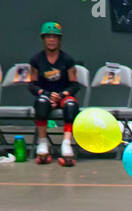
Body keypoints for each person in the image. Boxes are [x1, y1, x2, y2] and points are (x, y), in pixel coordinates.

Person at [27, 22, 82, 166]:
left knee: (71, 105)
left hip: (62, 95)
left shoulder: (67, 60)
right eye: (48, 37)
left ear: (59, 40)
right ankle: (43, 142)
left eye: (55, 37)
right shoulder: (36, 60)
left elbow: (75, 84)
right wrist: (45, 93)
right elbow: (32, 84)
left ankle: (66, 143)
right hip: (45, 95)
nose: (51, 40)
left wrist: (62, 95)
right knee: (41, 102)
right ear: (43, 39)